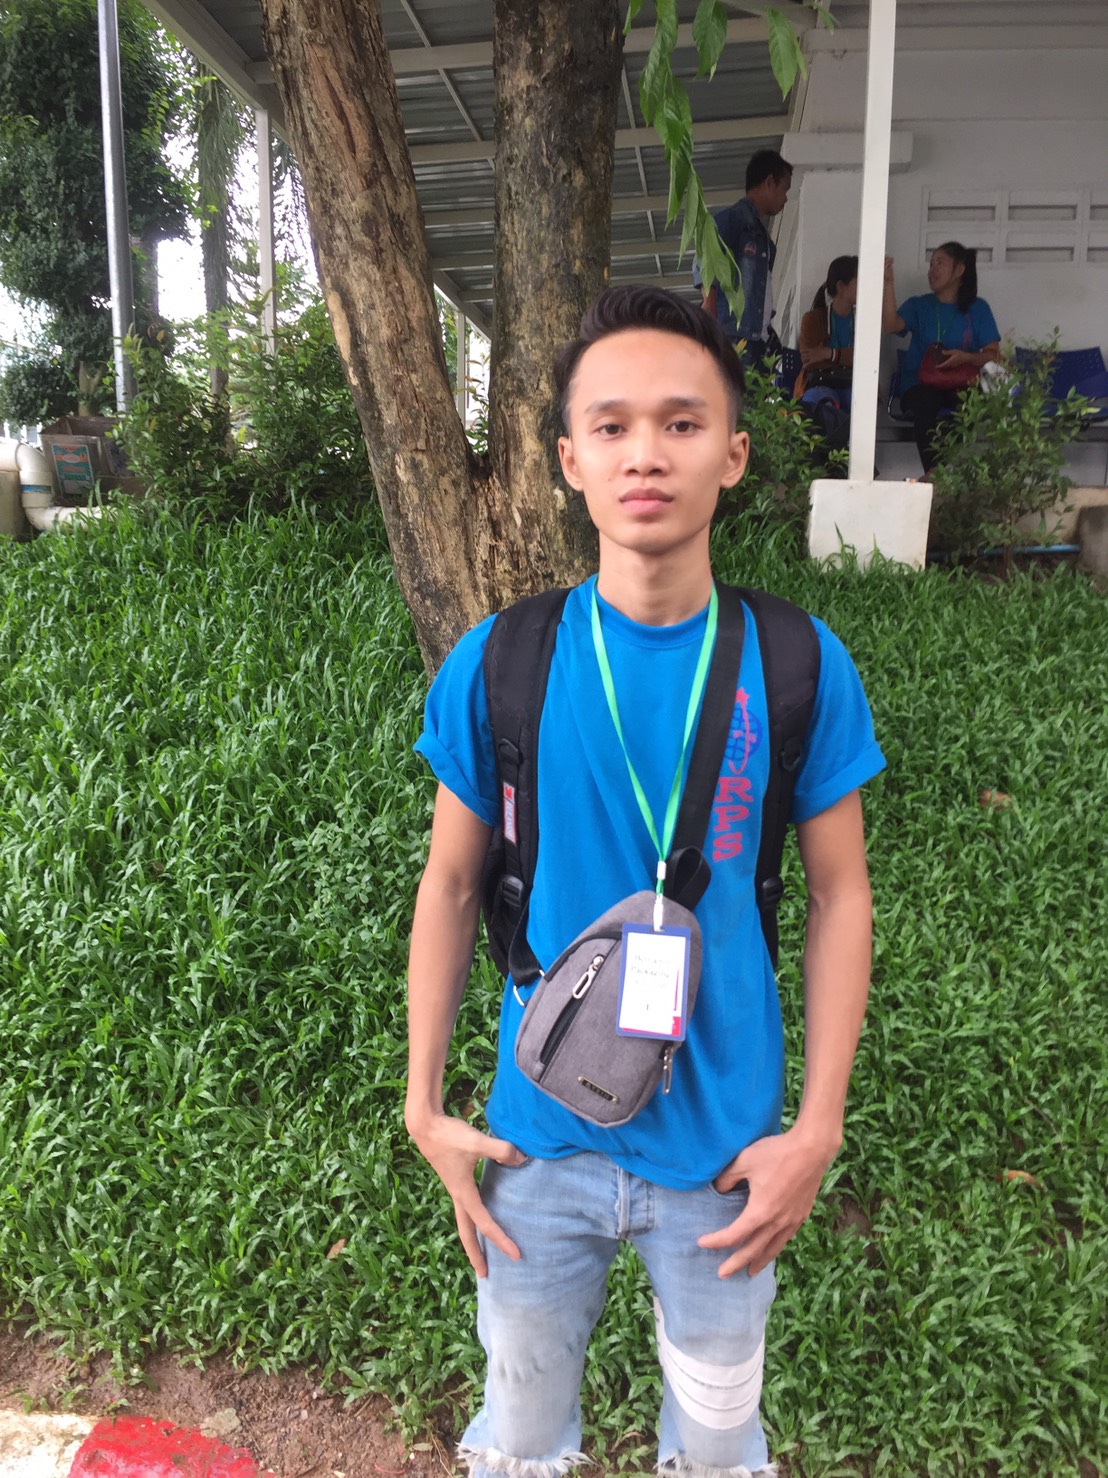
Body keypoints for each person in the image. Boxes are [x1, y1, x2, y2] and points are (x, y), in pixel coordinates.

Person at [405, 285, 885, 1478]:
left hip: (724, 1160)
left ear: (733, 452)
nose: (645, 454)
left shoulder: (796, 662)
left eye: (681, 422)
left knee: (718, 1445)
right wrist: (424, 1106)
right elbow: (450, 884)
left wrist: (815, 1129)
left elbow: (841, 896)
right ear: (570, 459)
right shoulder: (502, 660)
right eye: (610, 425)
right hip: (534, 1143)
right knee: (520, 1433)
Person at [883, 242, 1000, 473]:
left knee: (971, 406)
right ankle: (934, 472)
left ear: (959, 270)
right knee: (925, 403)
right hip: (919, 384)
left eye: (940, 263)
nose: (932, 270)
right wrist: (888, 283)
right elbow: (891, 325)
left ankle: (942, 470)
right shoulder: (919, 305)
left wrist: (965, 358)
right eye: (931, 264)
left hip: (962, 384)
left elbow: (993, 354)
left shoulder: (978, 308)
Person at [694, 149, 792, 365]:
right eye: (785, 188)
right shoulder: (733, 220)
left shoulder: (765, 242)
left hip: (758, 341)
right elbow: (707, 256)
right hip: (735, 338)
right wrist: (709, 307)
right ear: (769, 182)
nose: (786, 198)